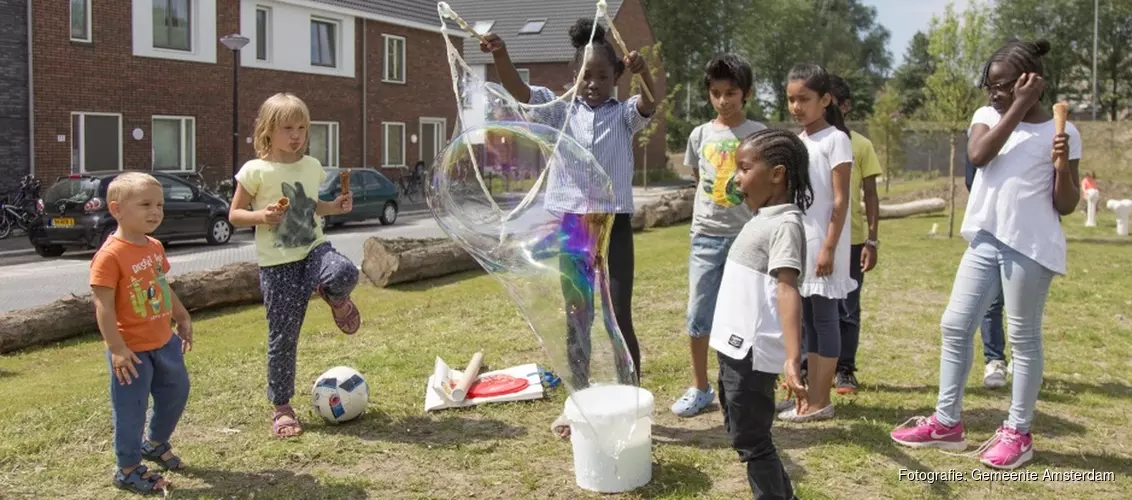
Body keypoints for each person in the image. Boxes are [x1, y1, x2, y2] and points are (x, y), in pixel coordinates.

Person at [891, 39, 1081, 470]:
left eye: (1003, 85)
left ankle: (1018, 432)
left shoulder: (1061, 129)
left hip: (1029, 246)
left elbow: (1066, 204)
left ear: (1029, 80)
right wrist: (1018, 104)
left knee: (1022, 338)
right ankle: (947, 423)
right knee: (955, 325)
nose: (994, 94)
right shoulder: (987, 118)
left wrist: (1062, 163)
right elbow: (978, 156)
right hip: (986, 239)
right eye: (989, 86)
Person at [479, 18, 656, 438]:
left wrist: (645, 71)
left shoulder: (626, 115)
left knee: (620, 315)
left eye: (600, 75)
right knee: (578, 316)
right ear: (572, 78)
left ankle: (631, 401)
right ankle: (577, 402)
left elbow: (651, 101)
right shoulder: (560, 111)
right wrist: (503, 55)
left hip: (615, 225)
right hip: (575, 226)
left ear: (616, 77)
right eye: (584, 76)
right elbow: (521, 93)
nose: (592, 83)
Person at [229, 93, 361, 439]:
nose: (296, 135)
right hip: (278, 267)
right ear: (268, 130)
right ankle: (282, 407)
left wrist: (336, 206)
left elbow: (312, 207)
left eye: (302, 127)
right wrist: (262, 215)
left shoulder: (311, 166)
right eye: (288, 128)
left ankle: (335, 297)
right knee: (283, 339)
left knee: (345, 271)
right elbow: (234, 214)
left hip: (314, 250)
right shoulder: (254, 171)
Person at [711, 128, 811, 499]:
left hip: (750, 354)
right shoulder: (763, 216)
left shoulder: (785, 224)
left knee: (753, 441)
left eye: (744, 168)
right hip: (733, 349)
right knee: (745, 435)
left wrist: (791, 357)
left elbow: (787, 288)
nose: (737, 177)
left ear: (777, 173)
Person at [672, 53, 767, 418]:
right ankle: (700, 387)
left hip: (748, 237)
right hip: (706, 237)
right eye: (715, 92)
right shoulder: (700, 135)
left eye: (731, 92)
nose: (723, 100)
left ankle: (751, 388)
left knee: (749, 316)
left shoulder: (758, 134)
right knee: (699, 313)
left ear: (747, 94)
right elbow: (700, 181)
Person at [90, 172, 193, 494]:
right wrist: (117, 348)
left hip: (164, 341)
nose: (155, 211)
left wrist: (181, 315)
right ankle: (128, 467)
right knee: (131, 410)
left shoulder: (154, 246)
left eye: (159, 204)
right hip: (131, 352)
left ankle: (155, 442)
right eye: (146, 204)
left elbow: (161, 285)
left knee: (176, 393)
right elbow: (103, 307)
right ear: (117, 209)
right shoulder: (109, 256)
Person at [775, 63, 856, 423]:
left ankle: (820, 401)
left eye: (803, 99)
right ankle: (807, 397)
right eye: (791, 99)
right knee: (807, 319)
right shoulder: (801, 142)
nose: (796, 107)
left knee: (825, 319)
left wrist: (828, 247)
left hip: (826, 244)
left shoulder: (836, 139)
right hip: (802, 243)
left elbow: (840, 200)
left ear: (825, 100)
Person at [827, 75, 881, 395]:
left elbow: (871, 196)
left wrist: (872, 240)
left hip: (852, 241)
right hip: (817, 240)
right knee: (814, 305)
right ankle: (809, 365)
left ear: (844, 106)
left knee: (847, 306)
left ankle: (845, 369)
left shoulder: (860, 145)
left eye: (830, 100)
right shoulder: (808, 142)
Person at [965, 157, 1010, 389]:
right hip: (992, 229)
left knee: (1023, 306)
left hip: (1028, 231)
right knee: (992, 301)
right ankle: (995, 360)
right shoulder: (984, 125)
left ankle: (1023, 362)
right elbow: (971, 178)